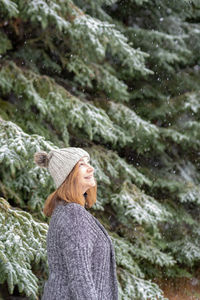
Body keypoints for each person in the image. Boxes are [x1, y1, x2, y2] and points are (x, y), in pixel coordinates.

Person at [34, 147, 119, 300]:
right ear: (68, 176)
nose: (91, 168)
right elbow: (81, 279)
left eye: (88, 162)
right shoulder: (73, 214)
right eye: (81, 164)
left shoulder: (66, 211)